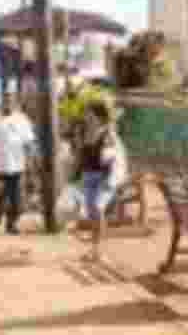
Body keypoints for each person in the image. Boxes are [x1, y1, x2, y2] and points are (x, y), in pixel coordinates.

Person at [76, 98, 127, 263]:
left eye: (89, 113)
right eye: (86, 113)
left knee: (98, 208)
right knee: (92, 212)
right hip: (88, 176)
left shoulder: (108, 132)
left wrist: (107, 153)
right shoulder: (84, 132)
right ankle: (94, 249)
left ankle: (100, 250)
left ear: (98, 115)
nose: (87, 116)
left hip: (104, 178)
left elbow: (114, 156)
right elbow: (81, 155)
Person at [0, 94, 36, 235]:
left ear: (15, 103)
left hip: (17, 164)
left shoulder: (22, 119)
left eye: (10, 101)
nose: (7, 103)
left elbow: (29, 142)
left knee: (16, 197)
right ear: (1, 103)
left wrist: (30, 161)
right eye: (5, 101)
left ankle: (11, 223)